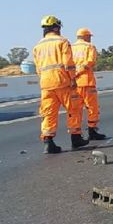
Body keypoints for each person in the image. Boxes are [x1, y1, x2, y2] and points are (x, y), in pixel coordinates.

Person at [32, 15, 88, 154]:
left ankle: (48, 142)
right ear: (56, 27)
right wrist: (73, 79)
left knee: (48, 114)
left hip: (46, 84)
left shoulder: (37, 46)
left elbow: (38, 68)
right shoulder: (62, 42)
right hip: (62, 82)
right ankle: (76, 139)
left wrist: (44, 79)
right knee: (74, 109)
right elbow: (68, 63)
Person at [72, 28, 105, 140]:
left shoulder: (70, 48)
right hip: (86, 82)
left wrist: (73, 75)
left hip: (74, 83)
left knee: (75, 110)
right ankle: (92, 131)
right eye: (89, 36)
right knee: (92, 108)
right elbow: (90, 62)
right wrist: (79, 71)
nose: (90, 38)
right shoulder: (90, 47)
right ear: (85, 36)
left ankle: (76, 134)